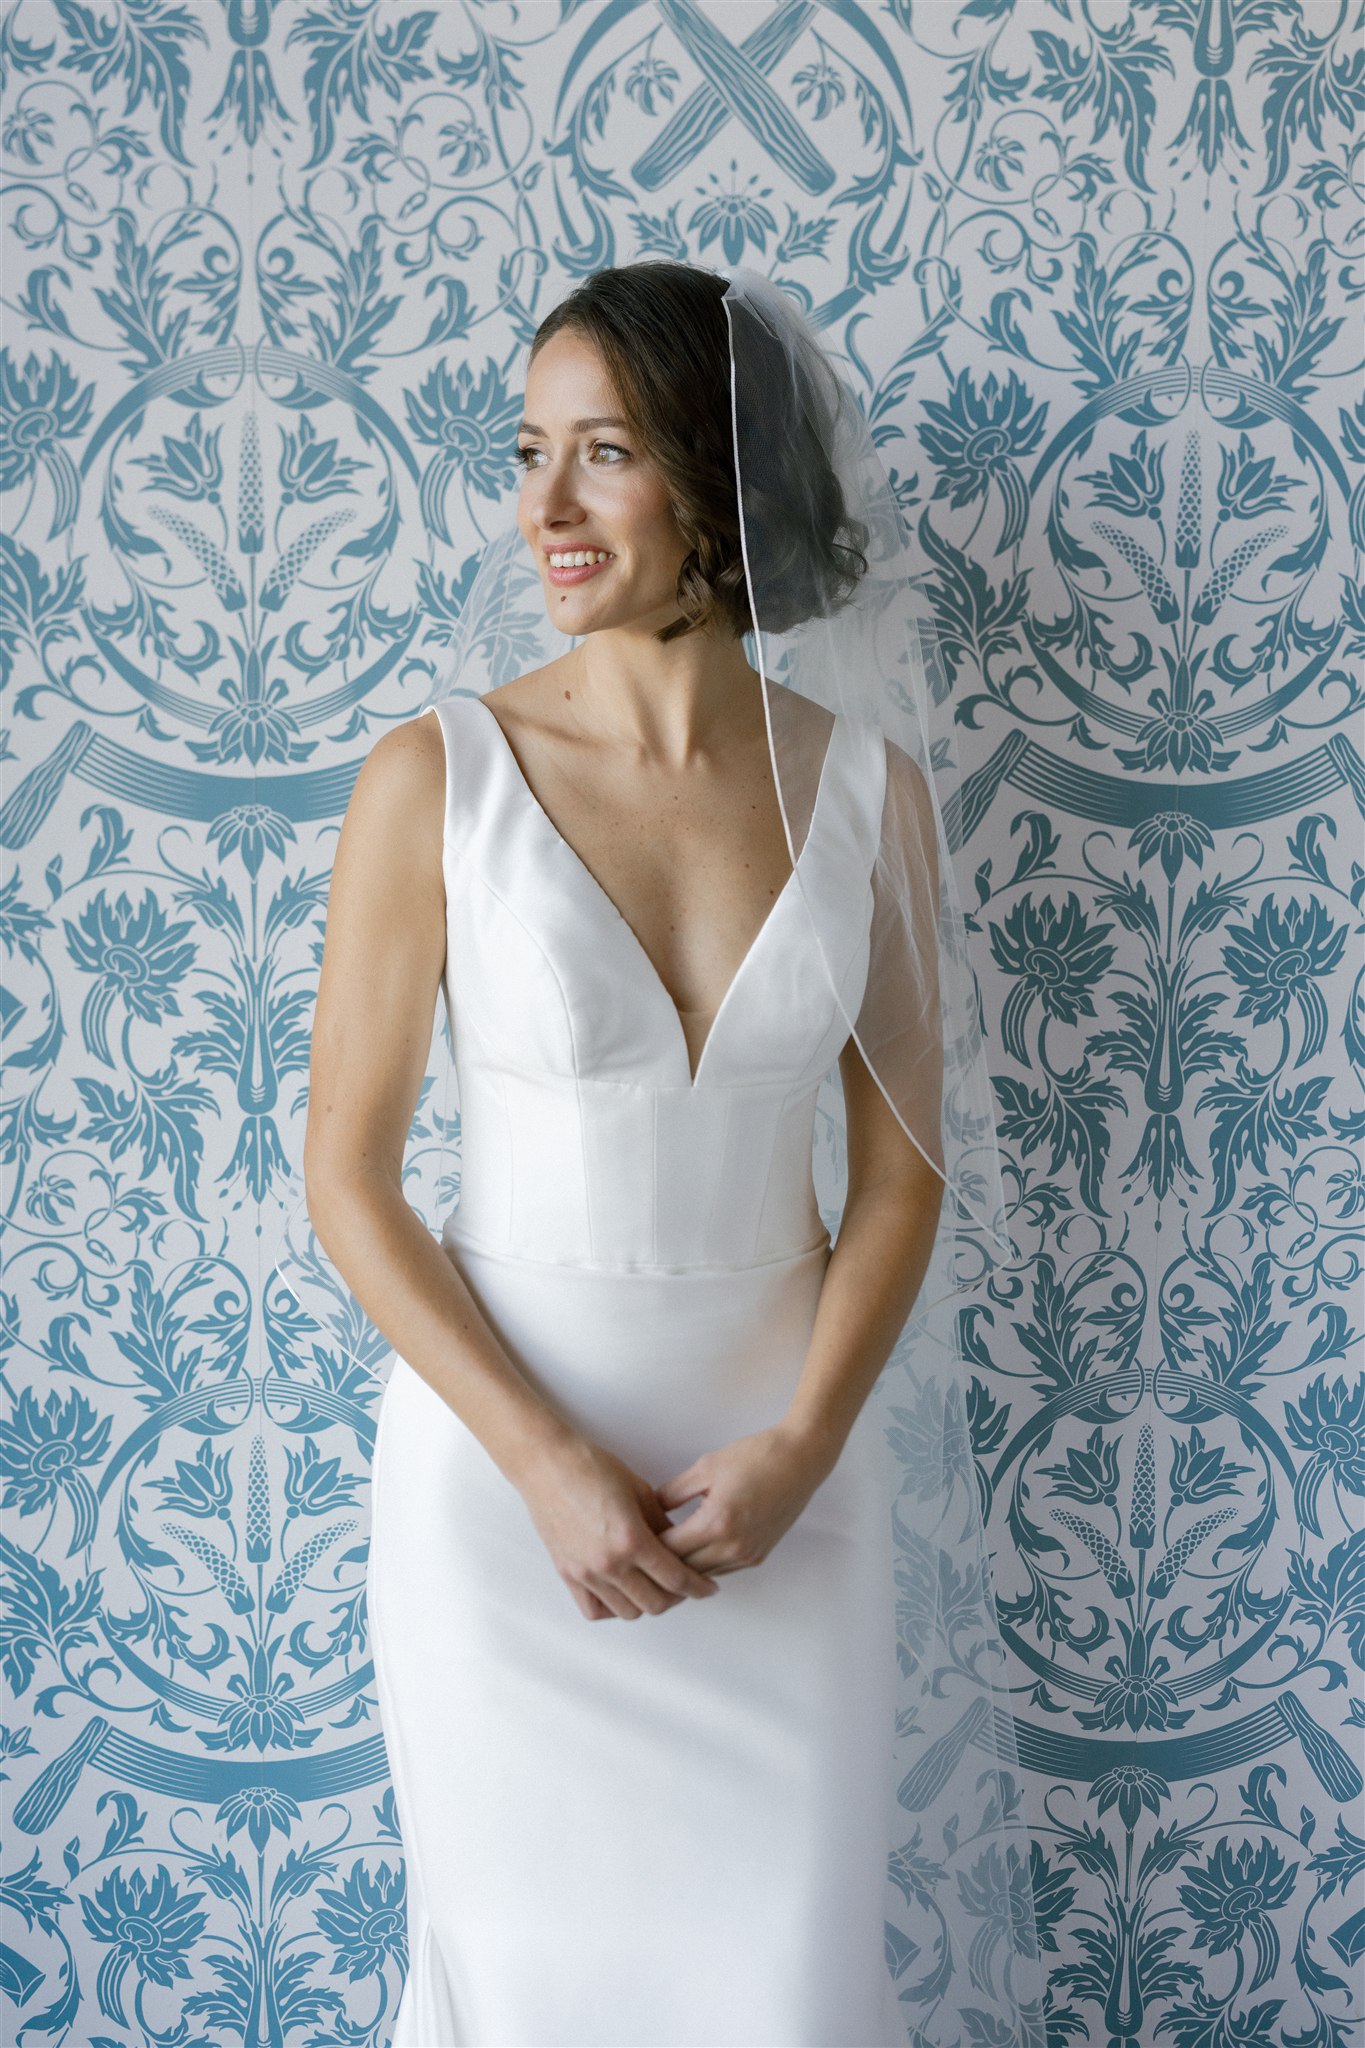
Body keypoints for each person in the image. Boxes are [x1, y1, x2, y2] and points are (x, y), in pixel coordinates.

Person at [279, 262, 1042, 2047]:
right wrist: (547, 1463)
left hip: (786, 1493)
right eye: (527, 451)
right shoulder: (435, 778)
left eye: (600, 453)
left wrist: (800, 1450)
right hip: (499, 1501)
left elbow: (905, 1169)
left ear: (713, 474)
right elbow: (348, 1178)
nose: (540, 507)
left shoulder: (871, 795)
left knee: (782, 1996)